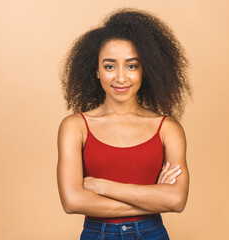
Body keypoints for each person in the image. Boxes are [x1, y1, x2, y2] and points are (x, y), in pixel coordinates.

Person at [56, 8, 192, 240]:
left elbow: (177, 200)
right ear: (96, 71)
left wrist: (102, 186)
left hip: (152, 234)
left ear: (144, 70)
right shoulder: (75, 126)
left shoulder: (168, 129)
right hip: (97, 234)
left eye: (131, 66)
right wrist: (153, 198)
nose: (121, 77)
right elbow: (72, 201)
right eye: (110, 66)